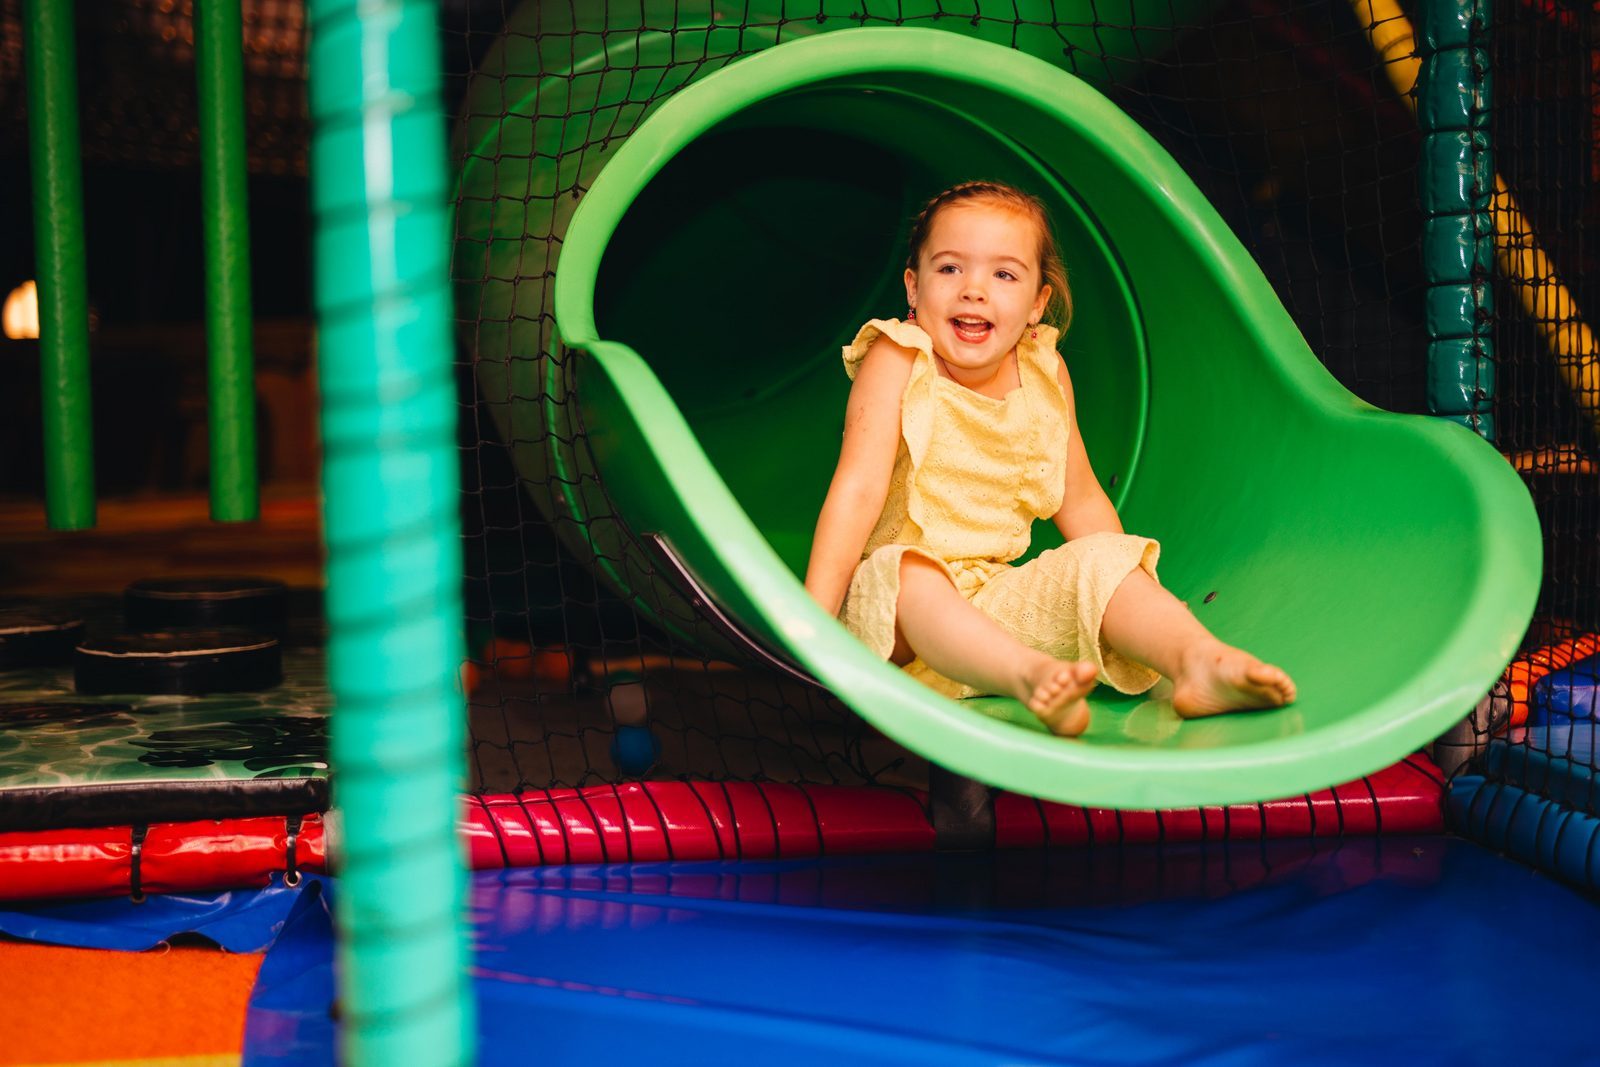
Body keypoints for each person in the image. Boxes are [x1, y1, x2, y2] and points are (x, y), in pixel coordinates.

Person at [803, 181, 1296, 737]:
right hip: (896, 619)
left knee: (1109, 558)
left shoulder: (1045, 373)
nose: (974, 291)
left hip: (992, 605)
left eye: (1004, 275)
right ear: (912, 288)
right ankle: (1031, 677)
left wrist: (1129, 587)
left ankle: (1198, 661)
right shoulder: (897, 357)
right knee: (911, 573)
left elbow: (1082, 501)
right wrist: (811, 623)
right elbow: (858, 490)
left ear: (1038, 302)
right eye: (949, 270)